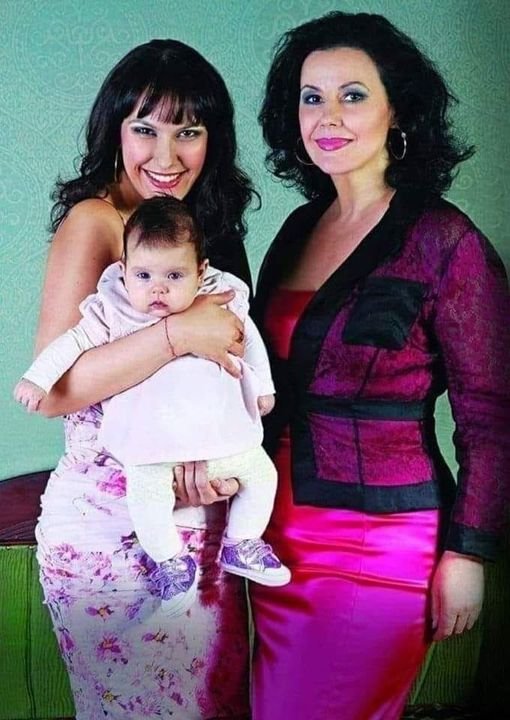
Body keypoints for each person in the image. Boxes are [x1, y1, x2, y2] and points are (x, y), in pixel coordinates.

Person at [249, 11, 510, 720]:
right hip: (277, 534)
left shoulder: (445, 241)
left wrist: (469, 554)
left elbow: (492, 416)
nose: (328, 116)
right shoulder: (300, 229)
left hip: (378, 542)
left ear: (398, 111)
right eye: (311, 97)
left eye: (353, 95)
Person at [30, 39, 256, 719]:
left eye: (188, 131)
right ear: (115, 132)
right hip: (110, 529)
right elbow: (57, 389)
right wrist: (179, 332)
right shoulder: (95, 222)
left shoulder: (199, 233)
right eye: (145, 129)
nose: (166, 156)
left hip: (200, 522)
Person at [16, 196, 290, 614]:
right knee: (146, 496)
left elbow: (248, 339)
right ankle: (169, 561)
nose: (157, 288)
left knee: (261, 474)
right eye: (143, 275)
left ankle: (243, 541)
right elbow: (70, 344)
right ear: (123, 270)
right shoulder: (115, 308)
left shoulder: (219, 296)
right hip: (146, 451)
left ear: (200, 272)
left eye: (174, 276)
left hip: (215, 451)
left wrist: (263, 388)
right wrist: (38, 378)